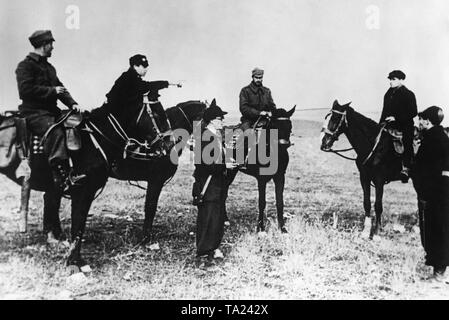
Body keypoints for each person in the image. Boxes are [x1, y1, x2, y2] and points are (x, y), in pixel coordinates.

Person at [15, 30, 83, 193]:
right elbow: (25, 90)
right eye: (50, 44)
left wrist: (72, 103)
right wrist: (52, 91)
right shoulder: (25, 66)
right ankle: (63, 176)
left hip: (50, 111)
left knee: (77, 124)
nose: (52, 47)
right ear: (43, 45)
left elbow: (61, 89)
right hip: (33, 112)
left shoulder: (49, 67)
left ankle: (78, 168)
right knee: (55, 132)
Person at [192, 99, 237, 267]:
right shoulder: (204, 136)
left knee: (217, 216)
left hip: (218, 183)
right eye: (220, 119)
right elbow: (203, 163)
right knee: (207, 217)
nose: (223, 122)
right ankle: (202, 253)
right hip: (207, 183)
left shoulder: (215, 135)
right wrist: (224, 165)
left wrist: (228, 160)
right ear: (212, 120)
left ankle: (213, 248)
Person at [412, 106, 449, 284]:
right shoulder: (441, 136)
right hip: (438, 192)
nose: (418, 122)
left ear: (427, 121)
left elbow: (427, 168)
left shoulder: (432, 139)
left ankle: (439, 273)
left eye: (420, 119)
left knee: (436, 230)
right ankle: (440, 269)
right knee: (440, 228)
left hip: (434, 194)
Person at [105, 54, 176, 133]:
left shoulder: (131, 77)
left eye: (147, 67)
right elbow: (147, 86)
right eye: (144, 67)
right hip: (115, 115)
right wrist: (167, 83)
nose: (146, 69)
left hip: (118, 113)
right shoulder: (129, 77)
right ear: (135, 66)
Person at [379, 70, 417, 183]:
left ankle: (406, 168)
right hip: (389, 125)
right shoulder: (388, 94)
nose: (390, 82)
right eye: (390, 79)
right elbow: (384, 111)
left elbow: (413, 112)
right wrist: (380, 123)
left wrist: (396, 118)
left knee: (407, 141)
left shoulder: (409, 94)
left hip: (405, 125)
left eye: (393, 79)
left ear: (401, 80)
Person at [239, 67, 277, 132]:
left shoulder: (267, 91)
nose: (258, 80)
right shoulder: (245, 90)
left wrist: (272, 112)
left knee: (275, 133)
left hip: (265, 120)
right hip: (248, 121)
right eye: (256, 78)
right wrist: (259, 113)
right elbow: (243, 108)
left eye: (260, 78)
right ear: (253, 77)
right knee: (248, 136)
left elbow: (272, 106)